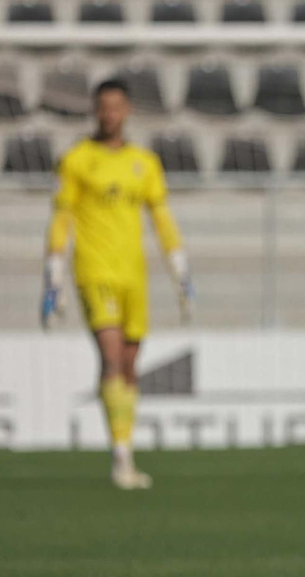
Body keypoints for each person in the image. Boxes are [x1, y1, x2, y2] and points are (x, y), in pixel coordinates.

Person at [42, 79, 193, 490]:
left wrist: (179, 267)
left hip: (133, 275)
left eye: (116, 107)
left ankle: (125, 450)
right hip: (95, 272)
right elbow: (61, 217)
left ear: (126, 110)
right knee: (110, 358)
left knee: (129, 365)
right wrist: (52, 273)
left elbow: (161, 217)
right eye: (102, 107)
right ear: (95, 111)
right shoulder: (76, 160)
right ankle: (120, 459)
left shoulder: (144, 163)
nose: (109, 114)